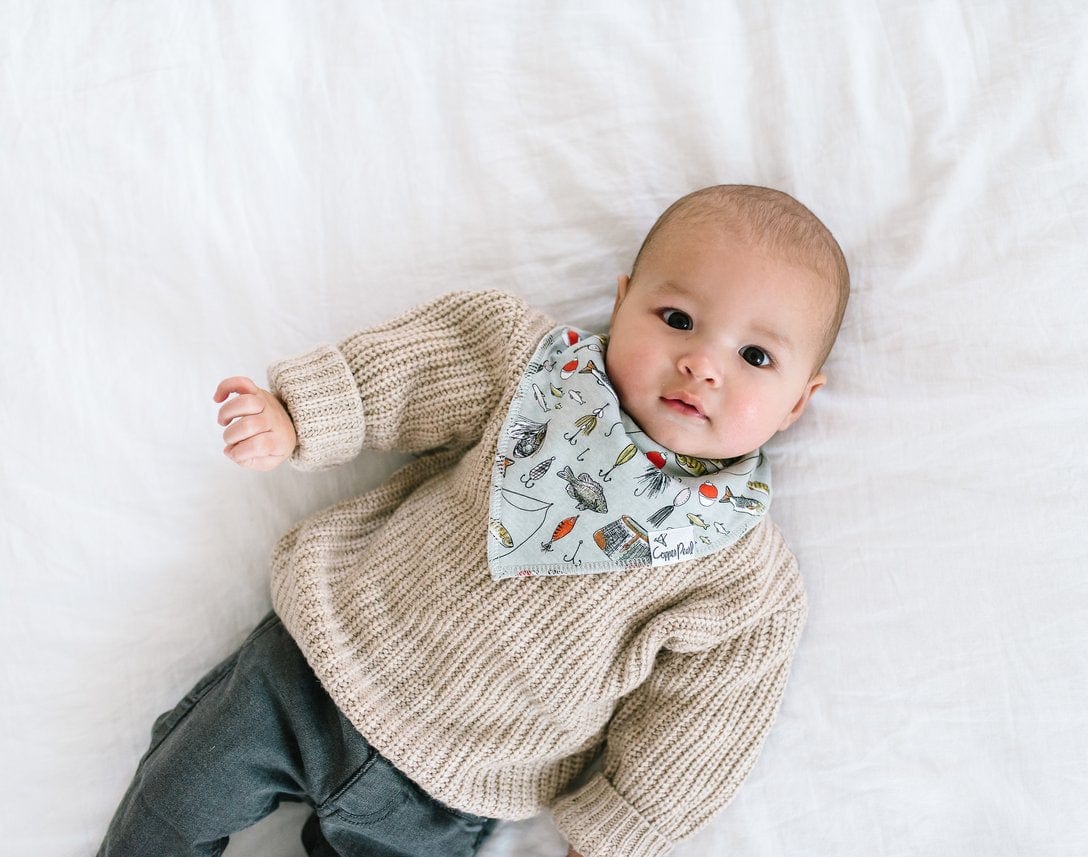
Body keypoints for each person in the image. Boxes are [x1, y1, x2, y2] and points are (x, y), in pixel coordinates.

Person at [98, 184, 850, 857]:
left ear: (797, 402)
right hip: (315, 663)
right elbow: (412, 370)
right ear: (622, 304)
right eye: (678, 318)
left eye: (755, 355)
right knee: (174, 804)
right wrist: (298, 416)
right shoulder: (530, 370)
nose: (703, 364)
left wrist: (615, 832)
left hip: (453, 790)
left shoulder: (745, 578)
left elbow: (699, 725)